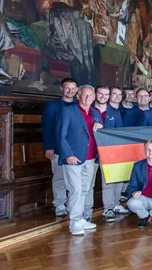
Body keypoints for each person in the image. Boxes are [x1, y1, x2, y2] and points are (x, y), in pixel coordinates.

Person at [57, 85, 102, 235]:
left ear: (94, 97)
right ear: (78, 96)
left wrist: (100, 128)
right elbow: (60, 135)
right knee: (75, 190)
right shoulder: (68, 111)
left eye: (90, 95)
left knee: (84, 189)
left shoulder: (96, 113)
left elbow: (100, 135)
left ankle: (81, 218)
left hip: (90, 158)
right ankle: (75, 221)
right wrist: (68, 154)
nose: (87, 98)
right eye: (85, 95)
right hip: (73, 159)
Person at [42, 78, 77, 217]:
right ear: (62, 89)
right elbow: (47, 127)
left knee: (74, 180)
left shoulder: (78, 105)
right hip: (57, 149)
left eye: (73, 88)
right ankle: (60, 204)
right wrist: (48, 147)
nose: (70, 91)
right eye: (67, 88)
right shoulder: (52, 106)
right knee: (59, 177)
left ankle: (72, 204)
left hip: (75, 149)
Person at [91, 86, 128, 223]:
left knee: (109, 181)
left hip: (109, 152)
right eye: (100, 93)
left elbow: (119, 133)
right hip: (90, 152)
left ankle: (109, 209)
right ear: (95, 94)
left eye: (106, 94)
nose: (103, 96)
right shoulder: (89, 110)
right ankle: (85, 211)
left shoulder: (115, 112)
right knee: (89, 183)